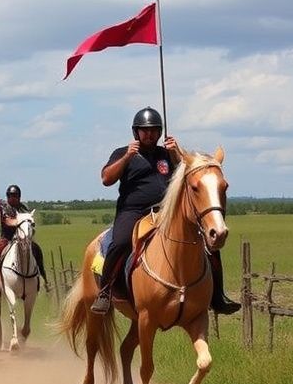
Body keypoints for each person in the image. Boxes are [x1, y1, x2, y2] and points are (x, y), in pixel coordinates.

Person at [90, 107, 240, 315]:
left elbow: (188, 177)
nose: (149, 134)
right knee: (121, 241)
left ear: (160, 132)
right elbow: (106, 179)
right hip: (133, 211)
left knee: (208, 244)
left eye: (153, 130)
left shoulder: (166, 154)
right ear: (136, 132)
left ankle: (217, 297)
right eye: (144, 130)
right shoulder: (123, 152)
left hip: (166, 211)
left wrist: (176, 153)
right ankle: (105, 292)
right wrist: (127, 157)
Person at [0, 184, 49, 290]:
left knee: (37, 250)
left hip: (23, 238)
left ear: (19, 196)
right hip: (7, 238)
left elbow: (30, 221)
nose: (13, 198)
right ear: (7, 196)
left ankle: (44, 279)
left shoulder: (23, 208)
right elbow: (8, 222)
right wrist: (20, 221)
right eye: (11, 195)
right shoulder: (4, 207)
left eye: (15, 195)